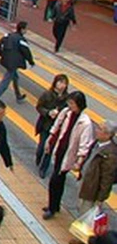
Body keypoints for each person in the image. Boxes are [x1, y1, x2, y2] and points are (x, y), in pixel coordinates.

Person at [43, 91, 94, 220]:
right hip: (59, 150)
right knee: (58, 180)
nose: (69, 105)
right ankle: (54, 206)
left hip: (69, 155)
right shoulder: (66, 112)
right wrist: (49, 140)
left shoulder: (85, 122)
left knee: (55, 180)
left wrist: (79, 160)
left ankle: (52, 207)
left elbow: (84, 143)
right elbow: (56, 126)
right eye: (69, 102)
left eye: (72, 103)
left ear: (79, 104)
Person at [77, 121, 117, 217]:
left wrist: (100, 198)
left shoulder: (111, 154)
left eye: (100, 129)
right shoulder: (97, 143)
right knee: (80, 208)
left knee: (86, 215)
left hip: (92, 191)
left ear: (108, 135)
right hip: (85, 183)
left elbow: (107, 178)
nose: (96, 130)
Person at [0, 21, 34, 103]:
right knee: (6, 80)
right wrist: (31, 61)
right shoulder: (21, 40)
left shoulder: (8, 35)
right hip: (13, 63)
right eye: (26, 29)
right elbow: (26, 52)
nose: (26, 31)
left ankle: (18, 96)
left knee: (15, 77)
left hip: (6, 60)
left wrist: (0, 53)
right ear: (22, 29)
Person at [35, 74, 69, 166]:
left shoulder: (67, 98)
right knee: (42, 146)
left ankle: (44, 167)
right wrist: (48, 113)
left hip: (57, 127)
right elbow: (39, 107)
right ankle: (38, 157)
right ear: (55, 83)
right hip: (45, 124)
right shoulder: (47, 94)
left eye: (64, 83)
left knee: (50, 148)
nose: (62, 85)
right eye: (60, 82)